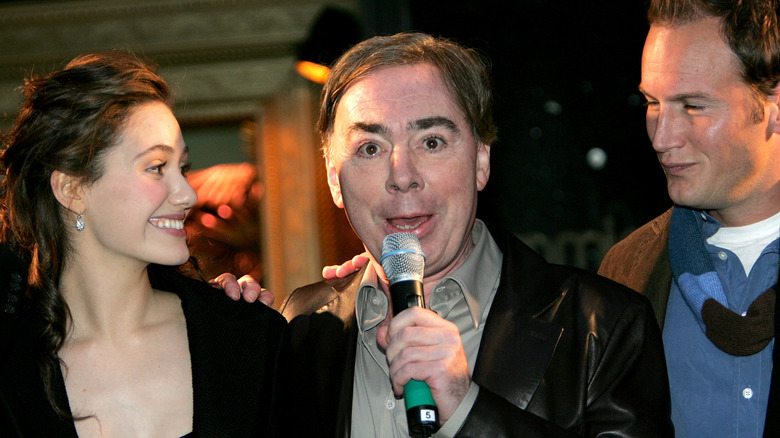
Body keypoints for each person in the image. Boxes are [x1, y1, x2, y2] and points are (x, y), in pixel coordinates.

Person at [281, 32, 673, 437]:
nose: (401, 177)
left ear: (482, 160)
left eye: (431, 142)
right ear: (333, 179)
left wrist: (468, 410)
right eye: (370, 148)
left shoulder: (604, 327)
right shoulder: (302, 328)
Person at [0, 51, 287, 437]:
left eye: (181, 168)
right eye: (156, 167)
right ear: (71, 188)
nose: (186, 193)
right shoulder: (9, 370)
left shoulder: (246, 336)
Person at [597, 0, 780, 436]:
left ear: (774, 104)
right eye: (652, 102)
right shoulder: (625, 274)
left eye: (693, 106)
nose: (662, 137)